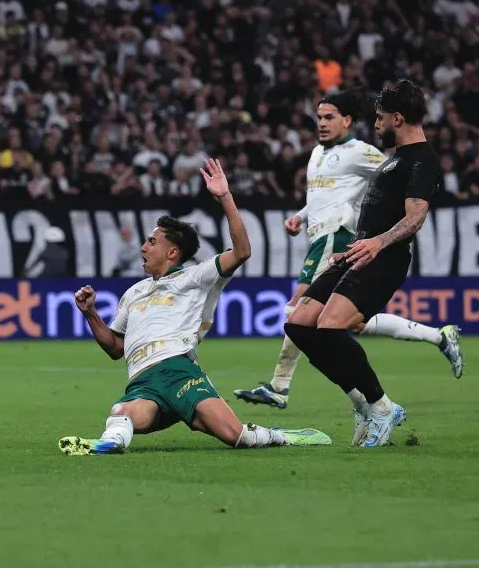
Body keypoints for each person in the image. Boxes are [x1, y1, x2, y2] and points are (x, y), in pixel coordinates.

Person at [58, 160, 332, 455]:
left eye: (152, 242)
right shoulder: (133, 293)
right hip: (143, 382)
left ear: (172, 252)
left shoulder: (196, 277)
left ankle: (282, 436)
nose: (143, 247)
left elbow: (242, 251)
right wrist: (90, 314)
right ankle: (109, 444)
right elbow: (115, 348)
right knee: (120, 413)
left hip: (179, 371)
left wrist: (225, 197)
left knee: (236, 437)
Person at [234, 89, 463, 409]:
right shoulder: (317, 154)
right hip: (337, 242)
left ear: (347, 120)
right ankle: (436, 338)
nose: (322, 124)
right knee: (340, 324)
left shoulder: (368, 153)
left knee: (302, 314)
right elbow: (323, 197)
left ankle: (284, 387)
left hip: (342, 238)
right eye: (319, 118)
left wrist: (380, 237)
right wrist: (301, 217)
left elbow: (405, 194)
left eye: (329, 117)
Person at [284, 79, 442, 448]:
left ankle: (382, 407)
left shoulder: (421, 160)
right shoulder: (396, 159)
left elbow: (415, 217)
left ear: (398, 118)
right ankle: (361, 401)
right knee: (298, 323)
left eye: (381, 119)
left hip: (384, 259)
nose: (376, 125)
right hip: (359, 252)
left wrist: (378, 242)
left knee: (330, 327)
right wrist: (357, 244)